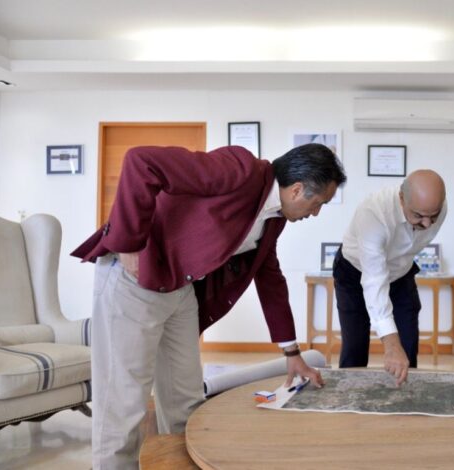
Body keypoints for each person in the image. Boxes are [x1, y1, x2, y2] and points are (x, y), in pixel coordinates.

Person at [71, 143, 346, 469]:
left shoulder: (273, 217)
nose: (315, 213)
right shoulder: (240, 170)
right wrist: (129, 242)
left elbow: (269, 276)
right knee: (124, 401)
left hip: (179, 289)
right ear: (297, 190)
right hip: (136, 280)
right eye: (319, 204)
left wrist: (291, 352)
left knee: (185, 403)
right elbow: (141, 161)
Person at [334, 170, 447, 385]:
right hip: (354, 270)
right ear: (401, 199)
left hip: (400, 271)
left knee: (408, 340)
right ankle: (349, 398)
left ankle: (406, 397)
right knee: (355, 344)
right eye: (418, 215)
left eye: (433, 216)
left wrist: (398, 345)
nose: (426, 224)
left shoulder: (438, 208)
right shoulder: (373, 213)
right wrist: (390, 344)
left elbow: (409, 244)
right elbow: (374, 279)